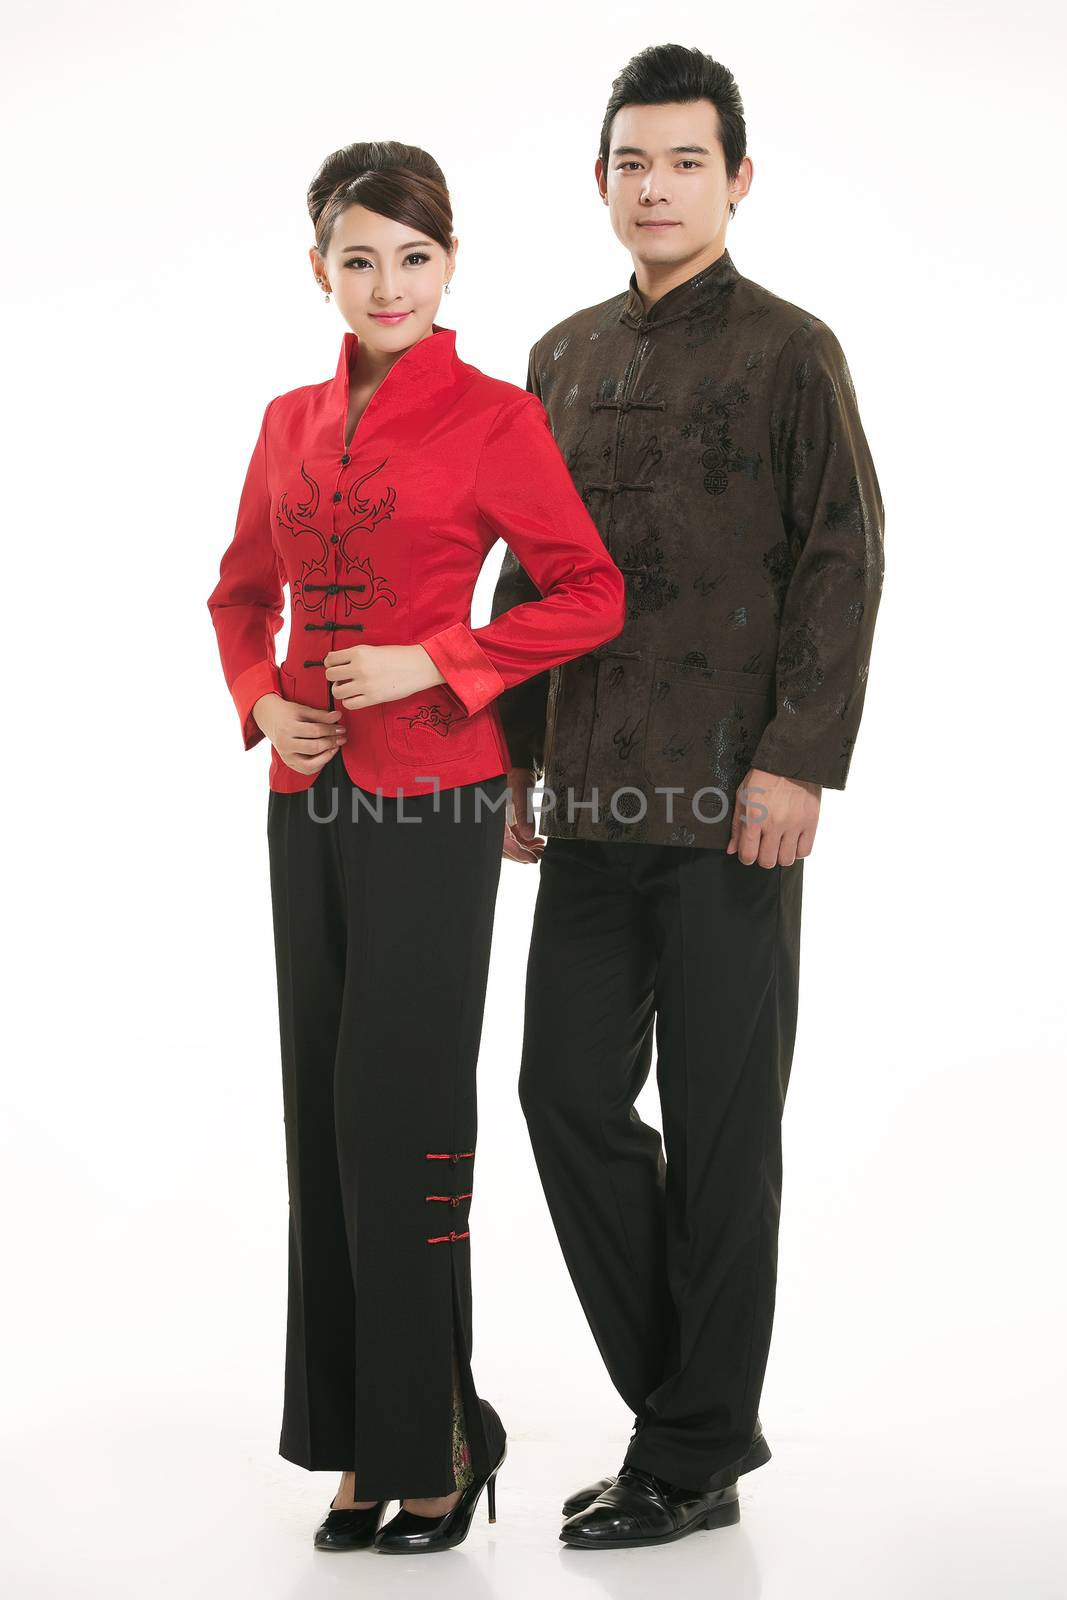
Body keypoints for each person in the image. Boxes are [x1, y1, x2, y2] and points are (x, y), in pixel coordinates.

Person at [490, 44, 885, 1550]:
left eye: (687, 163)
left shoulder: (794, 350)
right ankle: (697, 1419)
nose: (657, 189)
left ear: (737, 177)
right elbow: (527, 574)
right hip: (588, 797)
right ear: (601, 181)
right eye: (633, 164)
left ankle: (689, 1448)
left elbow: (843, 556)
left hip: (734, 805)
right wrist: (518, 755)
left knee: (723, 1127)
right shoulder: (561, 354)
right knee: (565, 1090)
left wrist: (797, 758)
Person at [206, 140, 626, 1555]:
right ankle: (352, 1448)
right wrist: (265, 699)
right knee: (322, 1115)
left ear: (451, 266)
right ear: (317, 267)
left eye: (415, 256)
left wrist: (443, 661)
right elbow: (238, 596)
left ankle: (437, 1439)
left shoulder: (498, 420)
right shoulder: (282, 422)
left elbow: (586, 592)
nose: (387, 283)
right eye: (359, 256)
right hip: (307, 803)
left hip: (439, 795)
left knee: (404, 1114)